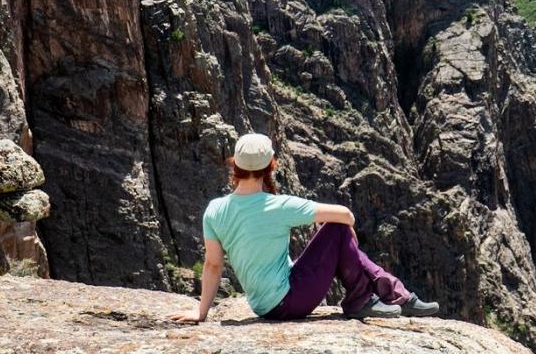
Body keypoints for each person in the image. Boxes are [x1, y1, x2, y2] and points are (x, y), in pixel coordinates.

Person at [170, 132, 439, 323]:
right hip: (289, 302)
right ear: (271, 166)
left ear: (236, 165)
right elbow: (345, 214)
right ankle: (366, 299)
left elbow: (213, 266)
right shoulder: (278, 206)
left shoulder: (215, 210)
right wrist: (348, 234)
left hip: (264, 306)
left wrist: (201, 312)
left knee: (334, 231)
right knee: (336, 229)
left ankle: (396, 296)